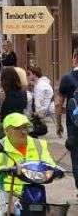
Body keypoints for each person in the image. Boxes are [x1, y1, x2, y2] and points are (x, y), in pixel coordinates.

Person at [0, 113, 56, 203]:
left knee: (40, 208)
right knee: (3, 208)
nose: (23, 132)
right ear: (6, 131)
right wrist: (7, 171)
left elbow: (51, 167)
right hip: (3, 192)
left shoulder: (39, 144)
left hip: (32, 192)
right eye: (17, 128)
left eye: (25, 127)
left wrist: (50, 171)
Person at [55, 48, 78, 192]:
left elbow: (59, 103)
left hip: (74, 127)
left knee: (76, 157)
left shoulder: (67, 78)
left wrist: (58, 124)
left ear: (74, 59)